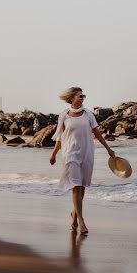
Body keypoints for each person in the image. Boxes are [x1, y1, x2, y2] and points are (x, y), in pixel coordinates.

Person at [49, 87, 115, 234]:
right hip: (70, 154)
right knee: (76, 186)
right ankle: (81, 221)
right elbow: (59, 138)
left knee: (82, 187)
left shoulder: (88, 114)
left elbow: (97, 133)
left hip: (86, 153)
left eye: (83, 96)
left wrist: (108, 149)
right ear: (72, 98)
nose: (82, 98)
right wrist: (53, 154)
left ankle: (74, 216)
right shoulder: (64, 116)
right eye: (80, 96)